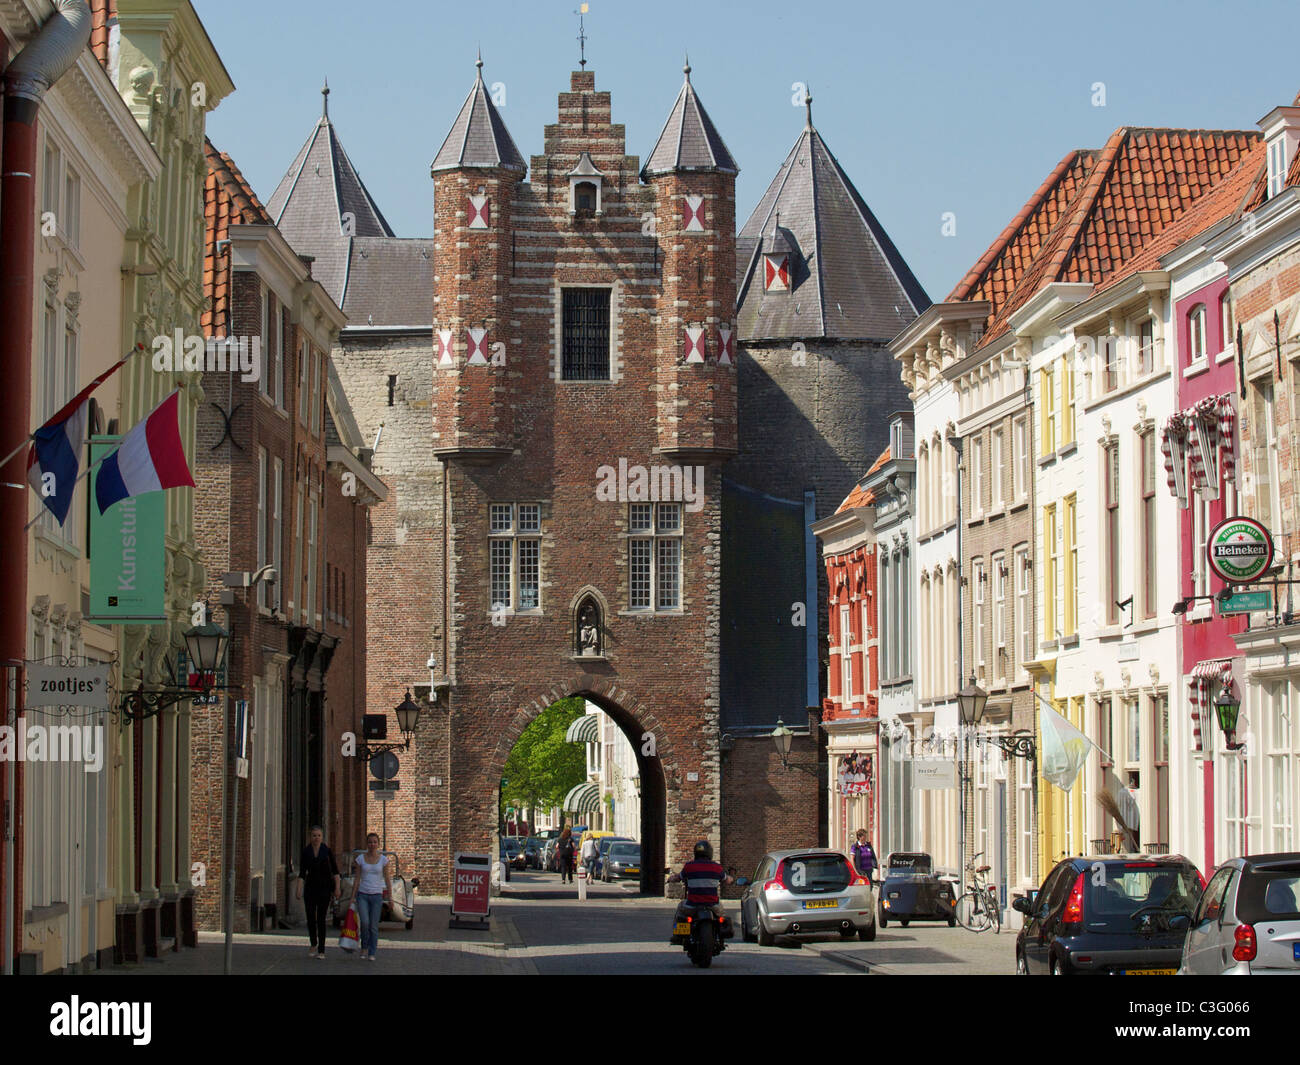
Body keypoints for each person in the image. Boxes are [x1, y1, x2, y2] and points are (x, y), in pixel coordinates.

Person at [667, 840, 735, 932]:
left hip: (692, 905)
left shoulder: (689, 866)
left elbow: (678, 877)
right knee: (722, 915)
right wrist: (732, 878)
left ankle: (678, 933)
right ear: (710, 853)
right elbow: (728, 880)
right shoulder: (717, 867)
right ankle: (721, 935)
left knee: (680, 909)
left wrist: (670, 879)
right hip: (712, 905)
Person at [296, 825, 340, 958]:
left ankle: (321, 949)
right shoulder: (306, 852)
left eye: (318, 835)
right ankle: (313, 943)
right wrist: (299, 889)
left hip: (324, 888)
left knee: (321, 918)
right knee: (310, 916)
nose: (316, 838)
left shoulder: (327, 851)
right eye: (314, 835)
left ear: (322, 837)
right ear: (310, 837)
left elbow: (336, 872)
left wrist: (337, 888)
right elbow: (302, 872)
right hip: (310, 888)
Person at [349, 832, 393, 961]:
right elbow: (357, 879)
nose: (372, 844)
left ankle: (372, 951)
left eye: (374, 842)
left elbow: (388, 879)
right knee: (365, 922)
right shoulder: (360, 859)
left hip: (376, 895)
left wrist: (390, 897)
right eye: (370, 842)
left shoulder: (384, 860)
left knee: (373, 925)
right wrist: (352, 896)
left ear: (378, 844)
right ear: (367, 844)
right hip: (363, 894)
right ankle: (364, 947)